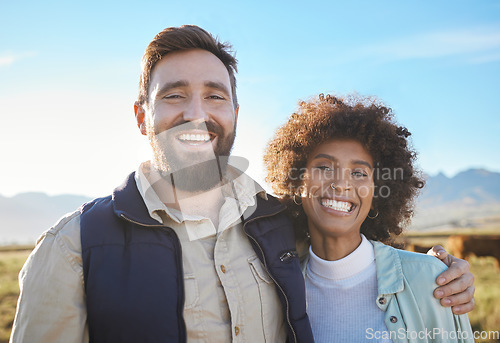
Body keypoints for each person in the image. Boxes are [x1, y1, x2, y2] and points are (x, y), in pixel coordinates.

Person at [11, 26, 473, 343]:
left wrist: (442, 270)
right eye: (174, 95)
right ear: (141, 116)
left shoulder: (275, 224)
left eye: (214, 95)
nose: (197, 113)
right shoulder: (72, 247)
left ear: (234, 113)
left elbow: (345, 244)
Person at [264, 93, 474, 342]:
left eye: (359, 172)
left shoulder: (433, 281)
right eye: (324, 167)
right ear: (298, 182)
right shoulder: (274, 290)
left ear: (377, 192)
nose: (341, 184)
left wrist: (430, 270)